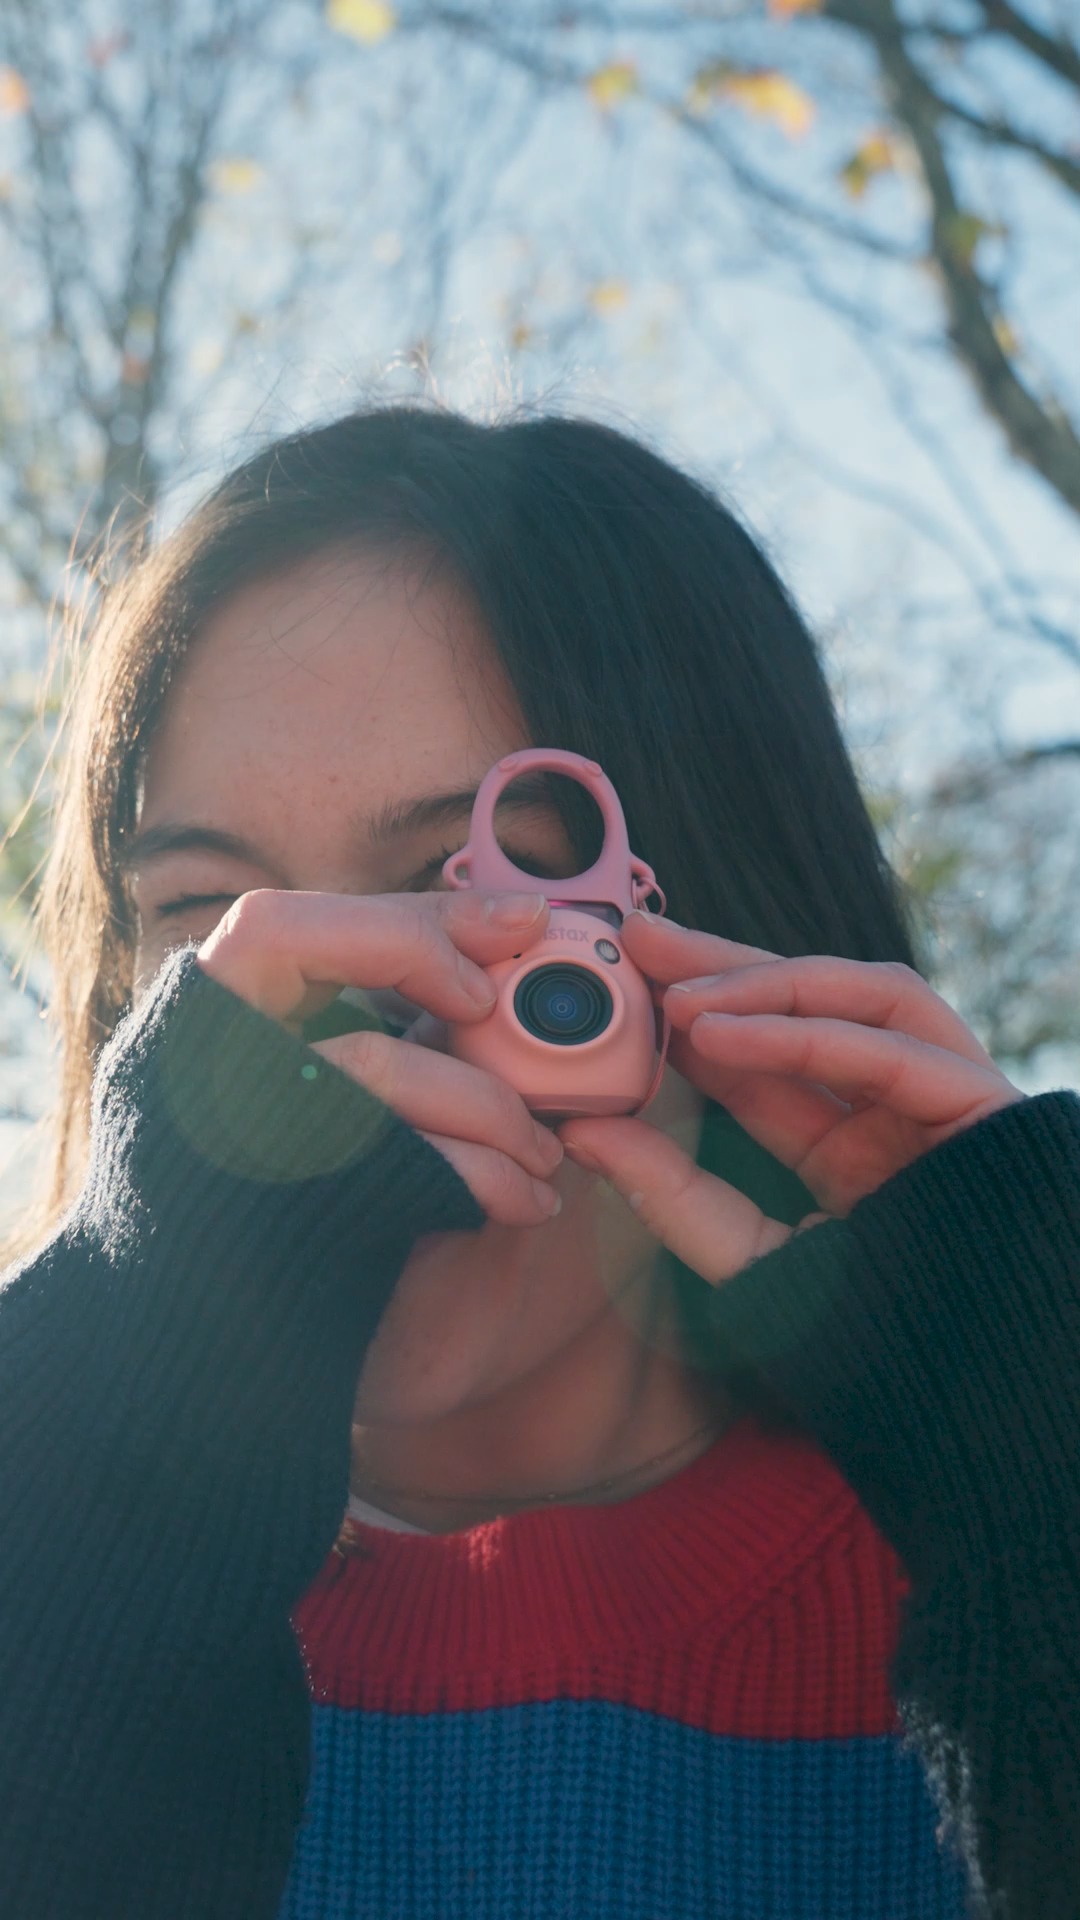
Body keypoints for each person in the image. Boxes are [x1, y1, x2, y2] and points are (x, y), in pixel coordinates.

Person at [0, 404, 1077, 1920]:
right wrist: (87, 1492)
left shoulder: (1012, 1584)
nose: (336, 1027)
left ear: (718, 927)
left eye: (475, 887)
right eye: (206, 922)